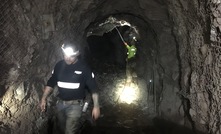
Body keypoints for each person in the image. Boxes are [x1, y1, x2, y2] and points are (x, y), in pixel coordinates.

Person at [40, 43, 100, 134]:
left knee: (70, 131)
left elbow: (93, 88)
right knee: (61, 128)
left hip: (75, 105)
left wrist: (96, 106)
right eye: (65, 55)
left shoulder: (84, 68)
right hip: (60, 104)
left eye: (71, 56)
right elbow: (51, 82)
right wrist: (43, 98)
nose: (68, 58)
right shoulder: (59, 66)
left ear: (77, 54)